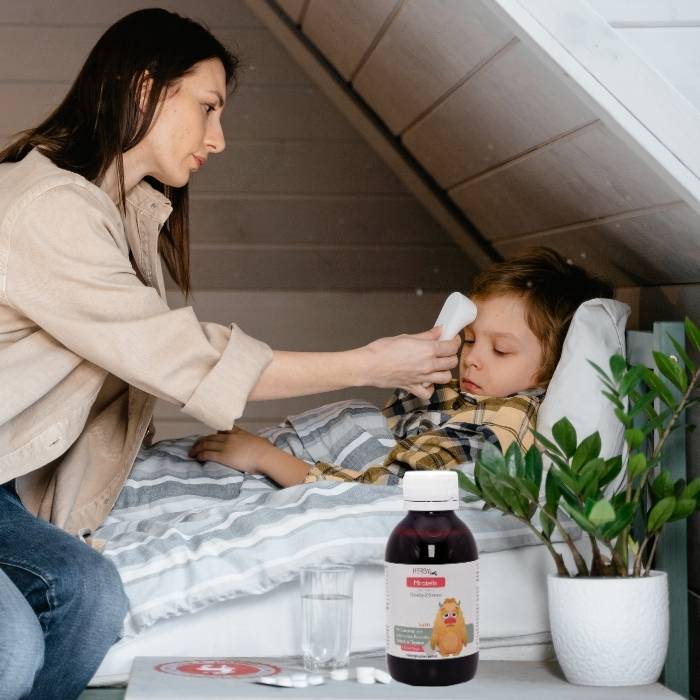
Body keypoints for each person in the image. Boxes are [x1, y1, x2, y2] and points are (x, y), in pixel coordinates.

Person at [0, 9, 459, 700]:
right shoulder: (49, 210)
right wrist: (371, 363)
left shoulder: (124, 215)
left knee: (90, 597)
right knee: (11, 646)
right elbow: (183, 357)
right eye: (208, 108)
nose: (219, 139)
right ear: (146, 89)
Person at [189, 248, 614, 486]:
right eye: (469, 339)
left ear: (549, 369)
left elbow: (388, 492)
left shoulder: (502, 424)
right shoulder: (462, 392)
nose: (474, 357)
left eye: (501, 350)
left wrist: (266, 458)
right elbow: (385, 429)